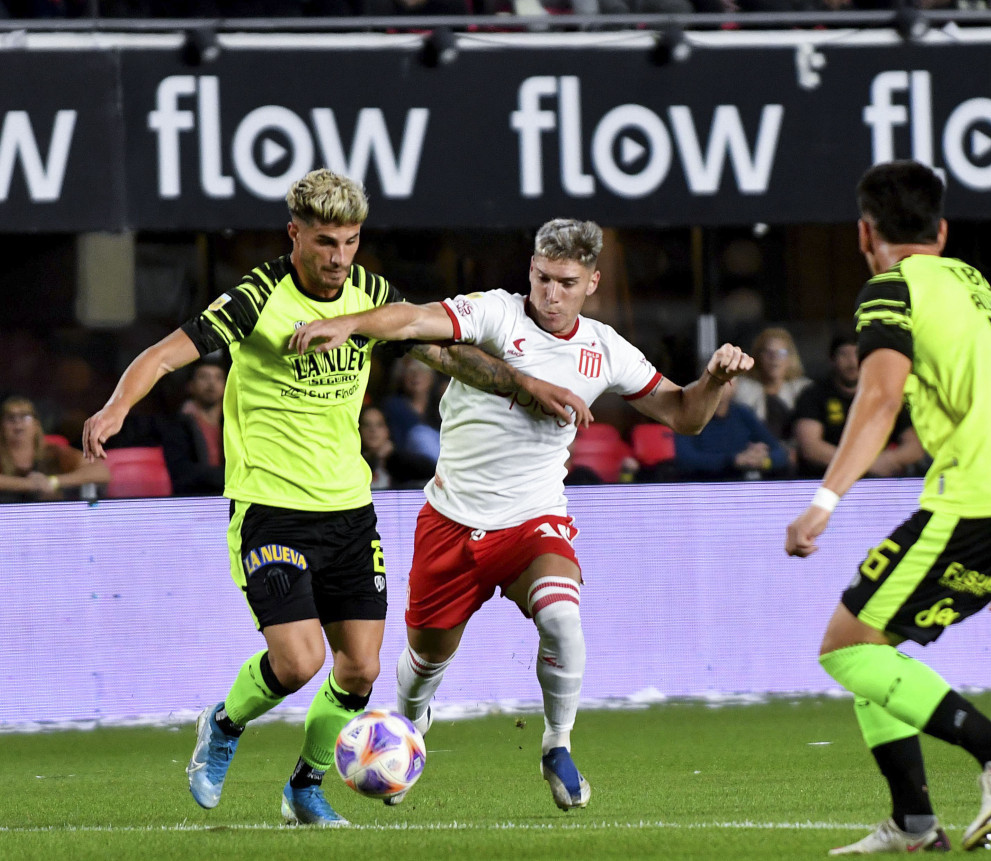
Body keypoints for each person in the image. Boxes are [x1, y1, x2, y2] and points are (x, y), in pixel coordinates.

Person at [82, 169, 591, 827]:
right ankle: (224, 723)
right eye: (325, 241)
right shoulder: (257, 298)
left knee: (359, 669)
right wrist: (117, 405)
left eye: (350, 241)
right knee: (299, 661)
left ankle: (304, 786)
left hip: (348, 511)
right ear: (294, 235)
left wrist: (524, 386)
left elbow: (448, 354)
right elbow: (161, 355)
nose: (339, 257)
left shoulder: (371, 297)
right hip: (270, 505)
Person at [289, 217, 754, 811]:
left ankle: (557, 744)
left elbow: (685, 416)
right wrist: (347, 323)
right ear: (529, 271)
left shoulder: (605, 349)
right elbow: (411, 319)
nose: (550, 295)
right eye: (541, 278)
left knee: (562, 618)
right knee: (426, 659)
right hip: (451, 519)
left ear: (591, 282)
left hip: (533, 519)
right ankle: (408, 730)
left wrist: (711, 381)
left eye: (565, 282)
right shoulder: (493, 313)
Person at [785, 160, 991, 854]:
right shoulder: (984, 296)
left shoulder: (894, 288)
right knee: (873, 643)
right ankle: (913, 822)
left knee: (845, 648)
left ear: (863, 233)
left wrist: (825, 500)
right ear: (942, 229)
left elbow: (879, 396)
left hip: (974, 498)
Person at [793, 333, 925, 479]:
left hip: (879, 482)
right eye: (844, 354)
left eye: (857, 353)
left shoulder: (885, 394)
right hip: (825, 480)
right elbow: (811, 448)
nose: (851, 361)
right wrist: (864, 465)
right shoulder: (814, 394)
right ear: (832, 359)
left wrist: (890, 459)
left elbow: (915, 446)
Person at [0, 395, 109, 503]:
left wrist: (53, 482)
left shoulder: (52, 451)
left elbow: (100, 472)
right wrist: (27, 485)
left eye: (25, 417)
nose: (18, 423)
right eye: (11, 418)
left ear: (36, 424)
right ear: (1, 427)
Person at [674, 377, 789, 481]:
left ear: (735, 386)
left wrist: (762, 462)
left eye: (727, 381)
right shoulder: (689, 416)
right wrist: (733, 460)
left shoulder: (743, 413)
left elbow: (780, 453)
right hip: (702, 489)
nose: (720, 385)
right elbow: (685, 459)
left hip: (742, 488)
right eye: (715, 379)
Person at [732, 326, 811, 443]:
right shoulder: (741, 388)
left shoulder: (804, 389)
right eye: (768, 352)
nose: (774, 358)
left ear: (790, 357)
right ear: (758, 357)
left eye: (781, 352)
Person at [161, 356, 226, 496]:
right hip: (192, 499)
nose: (211, 383)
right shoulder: (178, 425)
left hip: (231, 498)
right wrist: (229, 477)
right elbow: (181, 473)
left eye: (218, 378)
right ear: (190, 386)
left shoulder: (234, 423)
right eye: (204, 377)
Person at [382, 353, 443, 462]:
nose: (416, 375)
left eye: (422, 370)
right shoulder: (393, 407)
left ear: (431, 377)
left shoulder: (440, 407)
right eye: (411, 371)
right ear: (402, 377)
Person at [359, 404, 436, 490]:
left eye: (379, 425)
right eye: (367, 425)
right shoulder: (352, 462)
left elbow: (431, 471)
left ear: (387, 430)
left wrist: (393, 457)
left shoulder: (400, 461)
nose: (373, 430)